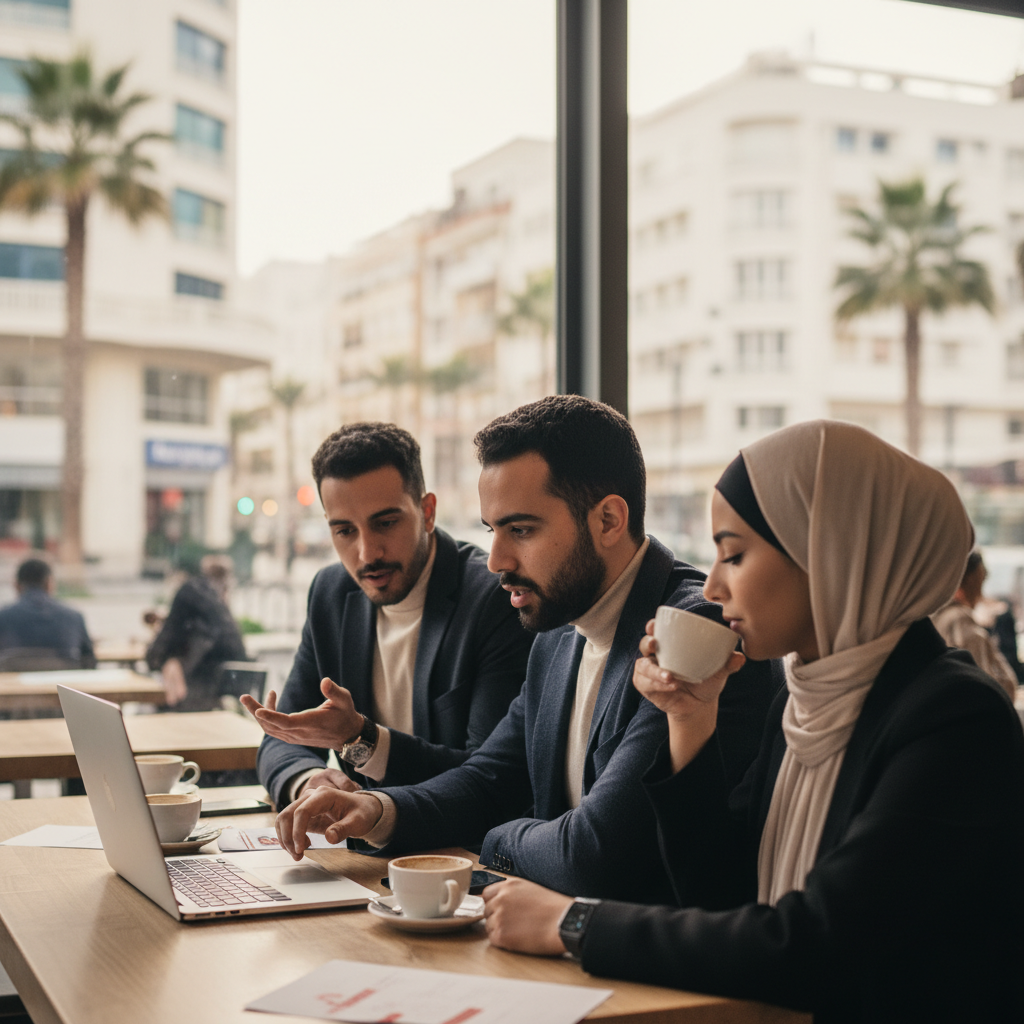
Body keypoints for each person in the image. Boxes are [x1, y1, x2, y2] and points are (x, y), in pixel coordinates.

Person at [479, 420, 1024, 1024]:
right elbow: (722, 896)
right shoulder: (802, 701)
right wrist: (689, 719)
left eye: (734, 554)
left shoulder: (954, 718)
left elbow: (814, 943)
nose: (712, 584)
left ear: (830, 552)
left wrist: (572, 921)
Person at [274, 396, 781, 905]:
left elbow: (594, 855)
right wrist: (379, 812)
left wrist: (499, 837)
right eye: (492, 531)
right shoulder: (557, 634)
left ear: (607, 521)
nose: (496, 560)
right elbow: (491, 779)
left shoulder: (691, 632)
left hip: (665, 972)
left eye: (521, 530)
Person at [241, 422, 533, 810]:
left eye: (386, 523)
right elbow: (284, 735)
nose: (366, 553)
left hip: (460, 853)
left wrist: (362, 741)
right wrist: (308, 781)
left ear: (427, 512)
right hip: (361, 850)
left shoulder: (493, 599)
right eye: (344, 531)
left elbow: (488, 776)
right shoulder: (332, 593)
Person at [146, 554, 248, 712]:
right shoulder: (223, 615)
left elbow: (154, 654)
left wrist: (170, 660)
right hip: (226, 708)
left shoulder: (189, 593)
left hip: (189, 704)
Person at [932, 550, 1018, 701]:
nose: (981, 591)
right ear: (970, 580)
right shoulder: (960, 621)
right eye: (981, 580)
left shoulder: (937, 617)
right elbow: (983, 687)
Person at [0, 558, 95, 668]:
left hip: (12, 683)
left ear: (16, 585)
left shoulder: (3, 616)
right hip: (62, 682)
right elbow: (89, 662)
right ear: (49, 583)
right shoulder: (74, 616)